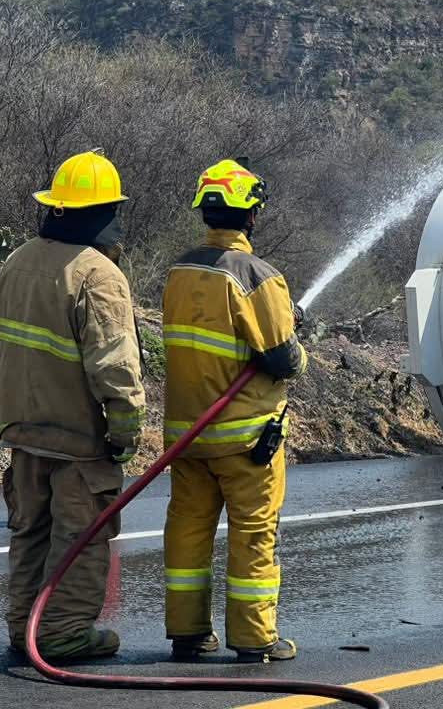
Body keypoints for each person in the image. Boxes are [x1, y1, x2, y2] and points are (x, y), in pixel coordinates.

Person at [0, 149, 146, 661]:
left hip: (24, 429)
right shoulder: (96, 275)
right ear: (102, 213)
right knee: (82, 537)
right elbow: (114, 365)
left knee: (30, 534)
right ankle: (60, 633)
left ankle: (25, 628)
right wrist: (125, 432)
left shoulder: (15, 262)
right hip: (81, 437)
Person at [161, 159, 307, 663]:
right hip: (246, 441)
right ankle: (254, 638)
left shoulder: (180, 270)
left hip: (186, 436)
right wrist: (296, 339)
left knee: (187, 529)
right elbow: (282, 359)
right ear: (251, 215)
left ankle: (188, 633)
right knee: (252, 531)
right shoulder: (255, 274)